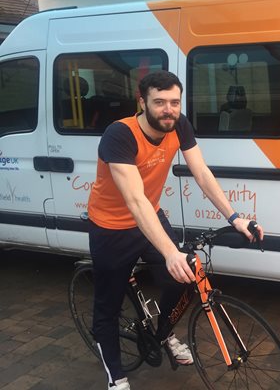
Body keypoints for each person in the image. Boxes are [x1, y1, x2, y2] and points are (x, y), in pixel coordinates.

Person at [87, 70, 262, 390]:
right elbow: (135, 200)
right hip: (111, 228)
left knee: (184, 276)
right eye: (159, 102)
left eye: (174, 102)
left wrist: (235, 218)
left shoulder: (179, 124)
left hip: (151, 218)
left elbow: (202, 174)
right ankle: (116, 376)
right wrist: (169, 252)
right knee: (107, 309)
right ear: (142, 102)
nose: (168, 109)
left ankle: (163, 332)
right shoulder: (119, 135)